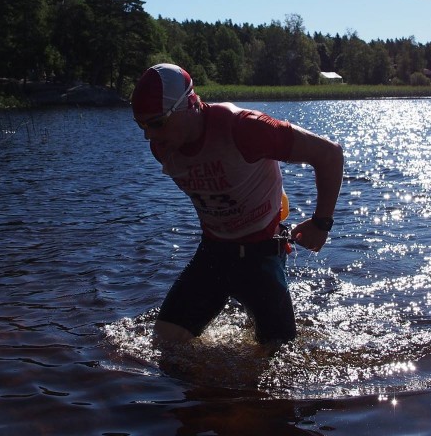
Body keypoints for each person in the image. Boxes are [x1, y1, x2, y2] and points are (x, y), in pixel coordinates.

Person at [131, 63, 344, 349]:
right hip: (213, 253)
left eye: (157, 122)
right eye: (141, 125)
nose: (149, 136)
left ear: (190, 104)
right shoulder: (163, 147)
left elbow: (329, 153)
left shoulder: (245, 128)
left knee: (280, 360)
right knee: (163, 346)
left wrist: (321, 223)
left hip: (261, 256)